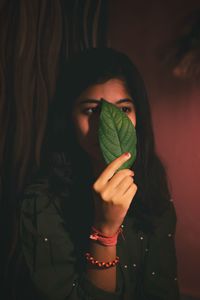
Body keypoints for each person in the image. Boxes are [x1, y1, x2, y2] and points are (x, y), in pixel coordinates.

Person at [19, 47, 180, 300]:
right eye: (91, 110)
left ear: (139, 116)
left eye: (123, 110)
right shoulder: (40, 202)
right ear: (69, 118)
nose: (106, 124)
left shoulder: (154, 188)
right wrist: (105, 231)